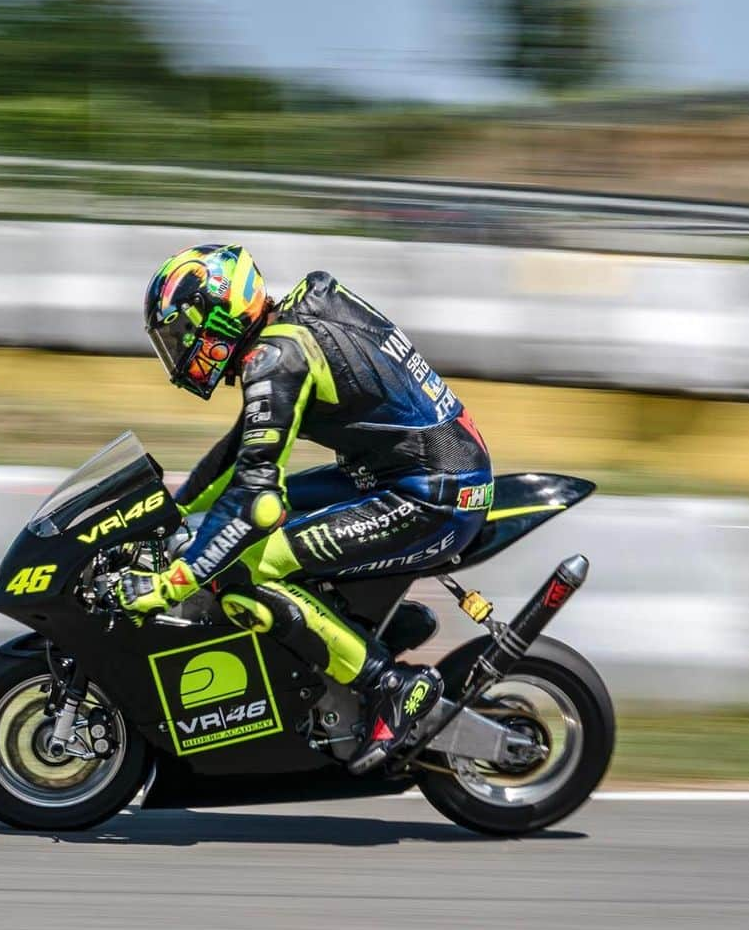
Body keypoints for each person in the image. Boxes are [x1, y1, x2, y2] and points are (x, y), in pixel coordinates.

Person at [115, 243, 493, 774]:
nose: (179, 352)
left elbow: (255, 503)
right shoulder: (291, 326)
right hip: (402, 474)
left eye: (182, 335)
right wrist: (170, 515)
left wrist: (168, 585)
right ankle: (347, 641)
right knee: (248, 533)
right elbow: (239, 453)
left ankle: (388, 686)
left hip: (430, 494)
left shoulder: (277, 357)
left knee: (249, 566)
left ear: (221, 315)